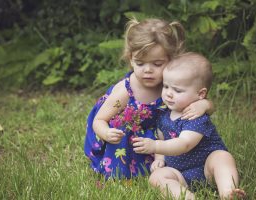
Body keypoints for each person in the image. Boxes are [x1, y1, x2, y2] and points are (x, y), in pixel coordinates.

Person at [84, 18, 214, 180]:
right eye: (140, 63)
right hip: (124, 136)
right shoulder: (125, 91)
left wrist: (204, 104)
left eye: (157, 64)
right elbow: (99, 120)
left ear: (171, 60)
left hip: (157, 139)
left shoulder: (171, 86)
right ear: (131, 59)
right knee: (121, 170)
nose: (147, 70)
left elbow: (200, 101)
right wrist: (106, 132)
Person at [133, 52, 246, 199]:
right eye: (166, 86)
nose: (169, 94)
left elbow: (184, 144)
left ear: (200, 94)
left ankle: (228, 192)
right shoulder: (163, 114)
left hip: (207, 167)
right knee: (156, 177)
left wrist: (155, 146)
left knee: (222, 157)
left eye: (177, 90)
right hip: (179, 173)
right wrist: (159, 158)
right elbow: (162, 137)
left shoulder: (196, 116)